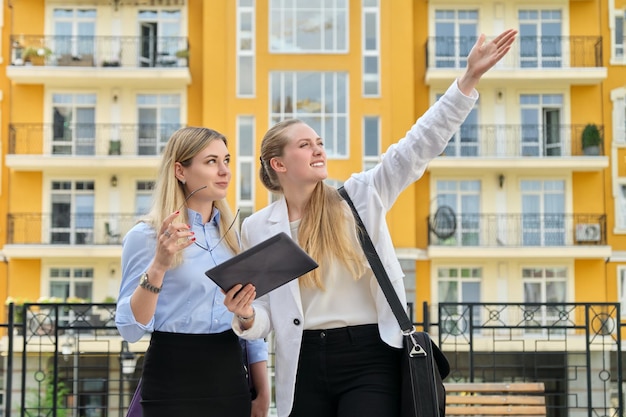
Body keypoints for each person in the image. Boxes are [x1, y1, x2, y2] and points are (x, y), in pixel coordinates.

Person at [223, 29, 518, 417]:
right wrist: (244, 314)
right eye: (304, 144)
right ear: (278, 164)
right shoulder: (258, 227)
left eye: (319, 141)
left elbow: (418, 146)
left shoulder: (359, 197)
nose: (318, 148)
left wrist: (468, 80)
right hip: (304, 361)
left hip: (370, 355)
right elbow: (264, 318)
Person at [115, 127, 270, 417]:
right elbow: (130, 328)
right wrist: (159, 265)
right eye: (211, 162)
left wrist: (262, 389)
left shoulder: (236, 236)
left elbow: (250, 311)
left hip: (229, 375)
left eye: (226, 160)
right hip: (171, 376)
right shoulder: (146, 236)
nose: (224, 171)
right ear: (180, 171)